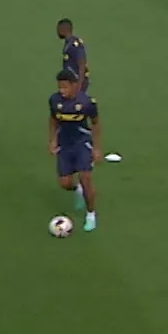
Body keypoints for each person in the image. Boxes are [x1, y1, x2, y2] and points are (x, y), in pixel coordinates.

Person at [48, 69, 102, 232]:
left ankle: (90, 214)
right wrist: (52, 140)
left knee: (86, 177)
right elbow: (53, 120)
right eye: (60, 87)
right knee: (65, 183)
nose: (62, 91)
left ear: (74, 86)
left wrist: (97, 148)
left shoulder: (86, 103)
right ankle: (77, 189)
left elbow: (96, 123)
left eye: (65, 87)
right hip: (65, 144)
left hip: (82, 142)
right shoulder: (55, 100)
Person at [57, 19, 89, 90]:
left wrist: (79, 85)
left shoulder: (75, 44)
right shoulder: (68, 43)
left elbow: (82, 64)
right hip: (71, 82)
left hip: (76, 82)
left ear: (62, 29)